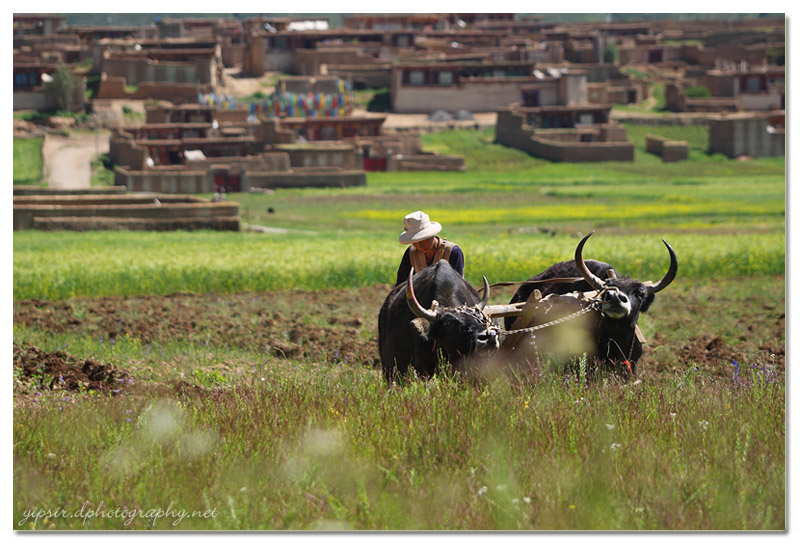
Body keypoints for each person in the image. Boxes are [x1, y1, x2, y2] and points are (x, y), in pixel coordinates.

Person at [395, 210, 464, 286]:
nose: (420, 245)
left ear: (431, 235)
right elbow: (401, 284)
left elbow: (457, 287)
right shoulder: (411, 253)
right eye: (415, 241)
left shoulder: (452, 252)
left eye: (423, 240)